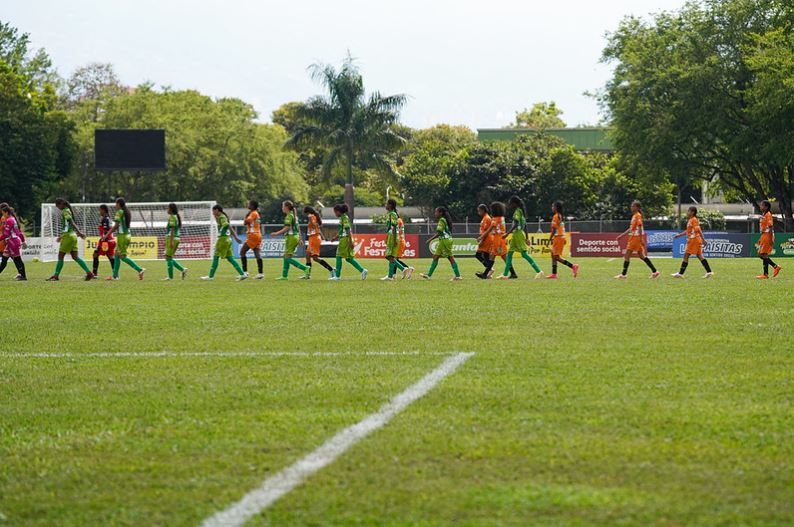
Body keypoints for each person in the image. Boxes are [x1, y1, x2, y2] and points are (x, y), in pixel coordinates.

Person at [46, 198, 94, 281]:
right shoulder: (68, 210)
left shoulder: (65, 211)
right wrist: (62, 236)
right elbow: (68, 226)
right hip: (72, 236)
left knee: (60, 256)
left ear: (62, 204)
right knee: (75, 257)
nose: (58, 208)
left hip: (68, 237)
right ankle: (89, 273)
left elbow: (71, 222)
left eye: (58, 206)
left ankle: (56, 276)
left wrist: (80, 232)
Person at [497, 196, 543, 280]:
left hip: (517, 234)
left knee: (524, 254)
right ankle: (505, 274)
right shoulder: (521, 212)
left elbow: (516, 224)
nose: (509, 205)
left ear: (515, 204)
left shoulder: (517, 212)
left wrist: (507, 234)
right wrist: (527, 238)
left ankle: (539, 271)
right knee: (510, 254)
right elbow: (525, 225)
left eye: (510, 204)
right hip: (517, 234)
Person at [615, 200, 660, 280]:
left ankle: (623, 275)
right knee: (642, 256)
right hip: (634, 238)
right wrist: (622, 235)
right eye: (631, 206)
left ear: (637, 207)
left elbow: (639, 227)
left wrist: (641, 239)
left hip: (635, 238)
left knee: (627, 255)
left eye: (633, 206)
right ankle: (655, 272)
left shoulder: (638, 216)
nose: (631, 207)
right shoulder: (634, 216)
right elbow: (631, 228)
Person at [201, 204, 247, 280]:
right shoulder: (222, 217)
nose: (212, 212)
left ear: (217, 210)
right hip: (228, 240)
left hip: (222, 240)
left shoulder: (222, 217)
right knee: (230, 258)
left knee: (216, 257)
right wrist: (235, 237)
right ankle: (242, 274)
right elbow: (230, 227)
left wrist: (221, 231)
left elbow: (226, 225)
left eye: (213, 211)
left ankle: (210, 276)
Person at [105, 198, 146, 281]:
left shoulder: (119, 212)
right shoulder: (126, 211)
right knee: (116, 254)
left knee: (122, 256)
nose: (115, 205)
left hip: (122, 237)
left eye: (116, 203)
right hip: (127, 235)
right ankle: (115, 276)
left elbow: (116, 226)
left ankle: (140, 269)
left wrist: (106, 235)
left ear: (119, 204)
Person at [270, 200, 310, 281]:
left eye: (283, 206)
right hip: (294, 237)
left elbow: (287, 228)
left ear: (287, 207)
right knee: (286, 257)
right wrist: (300, 238)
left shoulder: (289, 216)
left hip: (291, 238)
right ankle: (284, 276)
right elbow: (298, 228)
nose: (282, 208)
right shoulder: (294, 215)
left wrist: (276, 233)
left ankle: (305, 268)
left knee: (287, 258)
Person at [476, 203, 516, 279]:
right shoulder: (502, 218)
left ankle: (485, 274)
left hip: (498, 239)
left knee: (499, 257)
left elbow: (489, 230)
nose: (491, 211)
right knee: (495, 256)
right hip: (501, 239)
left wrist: (480, 237)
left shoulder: (495, 219)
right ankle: (486, 274)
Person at [421, 206, 462, 281]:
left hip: (444, 241)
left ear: (441, 213)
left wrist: (430, 239)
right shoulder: (444, 219)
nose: (435, 213)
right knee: (437, 257)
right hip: (445, 240)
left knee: (449, 258)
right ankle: (429, 275)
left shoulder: (441, 220)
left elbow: (439, 231)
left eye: (436, 212)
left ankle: (458, 276)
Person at [672, 206, 713, 279]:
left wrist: (703, 239)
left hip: (693, 240)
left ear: (692, 212)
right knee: (699, 256)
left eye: (688, 211)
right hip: (696, 239)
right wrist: (680, 235)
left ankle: (680, 274)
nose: (687, 212)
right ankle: (709, 272)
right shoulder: (691, 220)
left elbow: (698, 230)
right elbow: (688, 231)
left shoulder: (693, 219)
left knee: (686, 255)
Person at [329, 203, 368, 281]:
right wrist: (335, 237)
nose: (335, 214)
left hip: (345, 239)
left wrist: (350, 241)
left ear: (339, 211)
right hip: (345, 239)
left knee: (338, 256)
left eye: (335, 212)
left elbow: (348, 230)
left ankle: (337, 276)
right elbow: (341, 230)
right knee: (349, 258)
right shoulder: (342, 218)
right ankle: (362, 270)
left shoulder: (344, 218)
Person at [547, 201, 579, 279]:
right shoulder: (560, 215)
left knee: (556, 256)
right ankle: (554, 274)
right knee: (553, 255)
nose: (552, 208)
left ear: (556, 208)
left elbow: (554, 230)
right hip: (560, 237)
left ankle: (573, 266)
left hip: (558, 237)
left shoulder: (556, 216)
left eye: (553, 206)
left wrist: (549, 239)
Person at [303, 206, 336, 279]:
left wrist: (310, 219)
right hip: (312, 238)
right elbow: (316, 227)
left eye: (306, 213)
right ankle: (307, 275)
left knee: (313, 257)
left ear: (308, 212)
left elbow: (314, 225)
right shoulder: (313, 216)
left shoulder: (312, 216)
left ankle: (331, 269)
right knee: (309, 256)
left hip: (314, 238)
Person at [381, 199, 408, 281]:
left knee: (388, 256)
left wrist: (394, 239)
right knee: (391, 256)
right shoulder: (392, 214)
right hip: (392, 236)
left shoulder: (392, 214)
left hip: (392, 236)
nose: (385, 205)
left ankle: (402, 268)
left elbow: (394, 227)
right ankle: (390, 276)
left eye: (387, 204)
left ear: (390, 205)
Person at [756, 200, 782, 279]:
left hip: (767, 235)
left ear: (766, 207)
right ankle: (767, 273)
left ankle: (773, 268)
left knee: (762, 254)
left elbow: (770, 227)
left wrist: (770, 239)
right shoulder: (764, 215)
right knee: (763, 255)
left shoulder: (768, 215)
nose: (761, 207)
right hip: (764, 235)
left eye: (762, 205)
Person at [0, 203, 27, 280]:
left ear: (6, 212)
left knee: (17, 259)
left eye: (3, 213)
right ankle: (22, 275)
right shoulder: (12, 219)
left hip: (13, 242)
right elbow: (19, 232)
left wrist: (23, 241)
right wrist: (23, 241)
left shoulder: (9, 220)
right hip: (11, 242)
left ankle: (23, 276)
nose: (2, 215)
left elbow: (6, 234)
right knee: (4, 260)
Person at [163, 202, 188, 281]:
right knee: (168, 257)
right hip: (174, 238)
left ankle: (170, 277)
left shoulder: (173, 217)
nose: (167, 209)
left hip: (173, 238)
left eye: (168, 208)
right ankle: (182, 269)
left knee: (168, 257)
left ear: (171, 209)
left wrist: (171, 241)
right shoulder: (174, 216)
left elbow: (173, 229)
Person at [240, 200, 264, 279]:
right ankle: (260, 273)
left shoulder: (253, 213)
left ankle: (245, 272)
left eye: (249, 204)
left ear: (253, 206)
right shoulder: (256, 214)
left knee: (242, 252)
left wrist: (245, 218)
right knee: (257, 253)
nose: (248, 205)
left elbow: (246, 221)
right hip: (258, 234)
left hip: (253, 236)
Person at [91, 204, 116, 279]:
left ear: (103, 210)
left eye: (100, 210)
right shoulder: (109, 218)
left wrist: (103, 240)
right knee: (110, 257)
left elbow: (106, 230)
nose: (99, 211)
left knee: (95, 254)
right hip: (112, 240)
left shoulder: (105, 219)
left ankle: (94, 274)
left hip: (106, 241)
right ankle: (116, 274)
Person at [395, 214, 414, 279]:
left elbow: (396, 231)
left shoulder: (397, 221)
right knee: (395, 258)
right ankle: (393, 275)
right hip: (401, 240)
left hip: (399, 241)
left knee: (393, 258)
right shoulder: (400, 220)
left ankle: (407, 269)